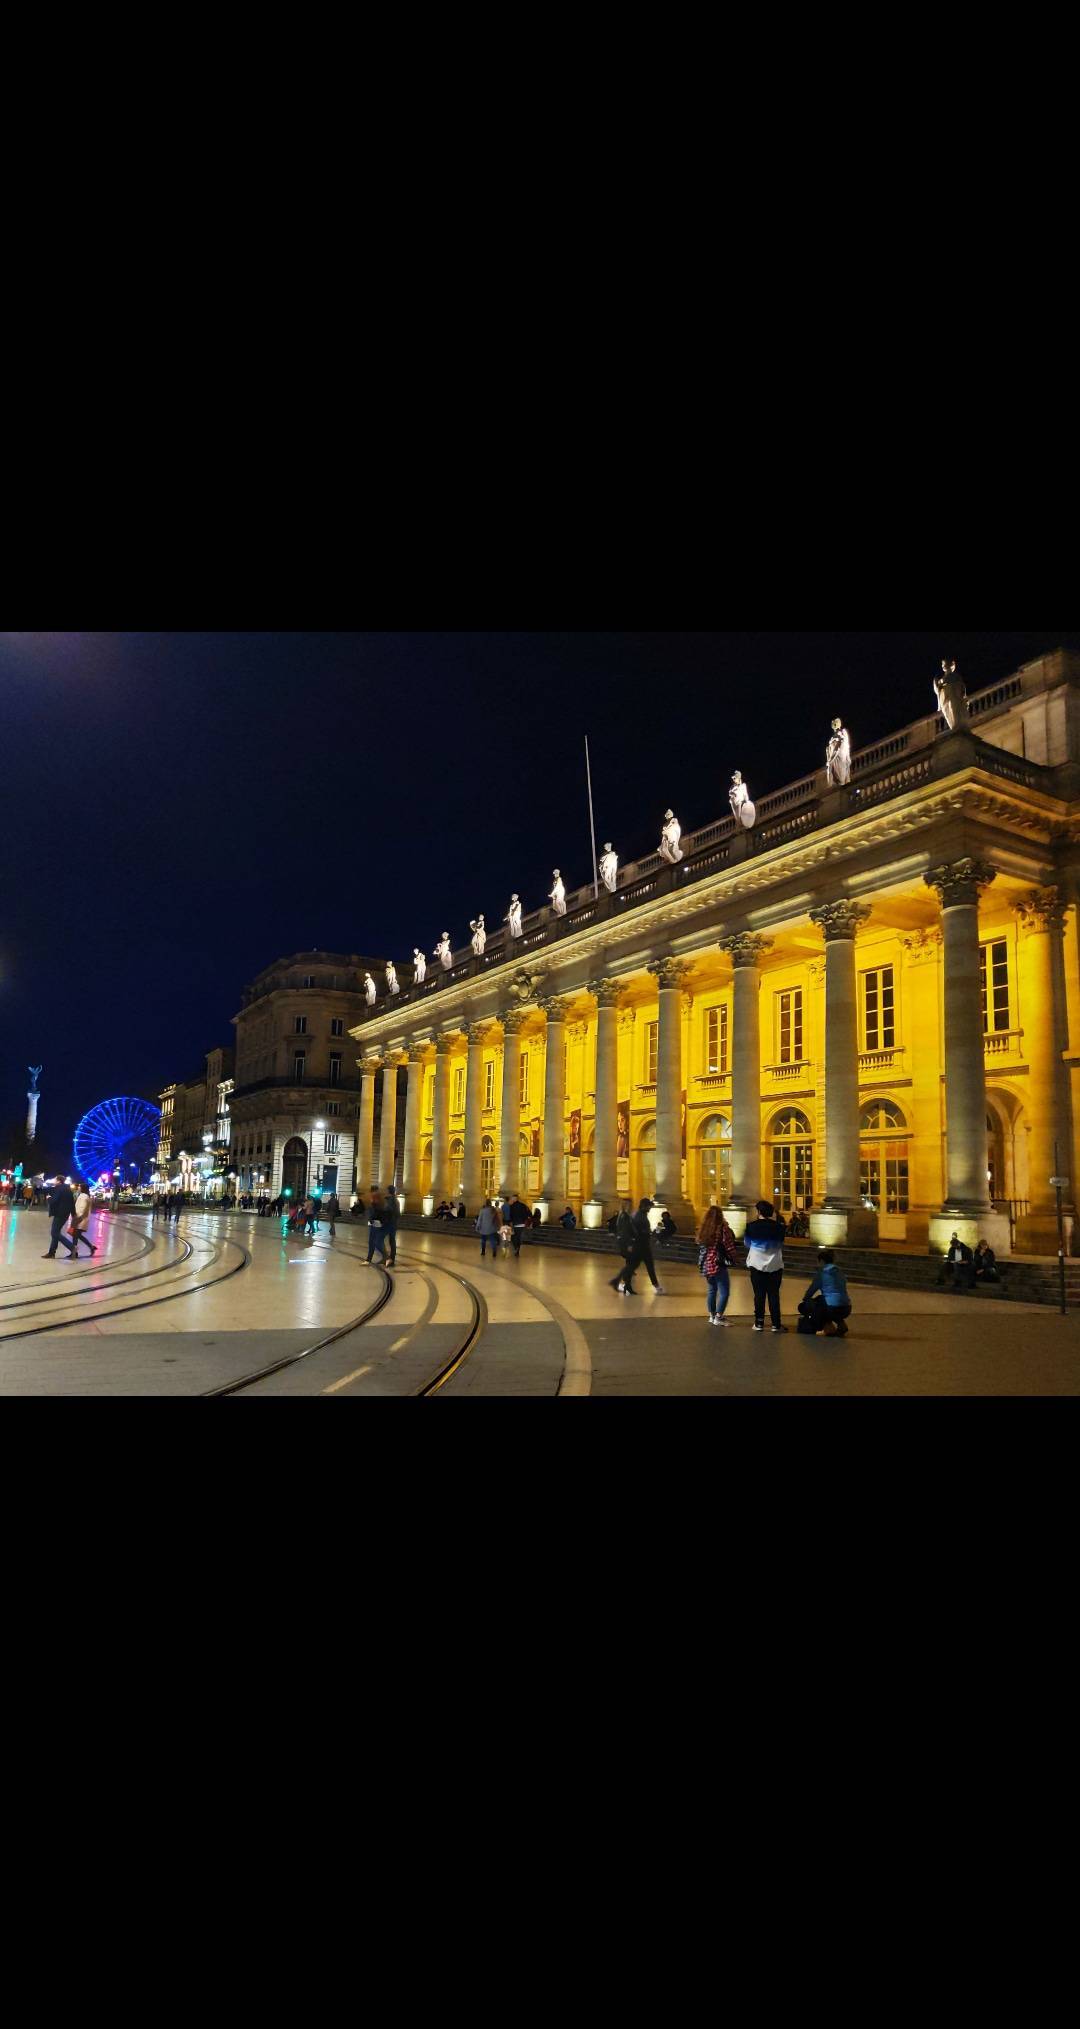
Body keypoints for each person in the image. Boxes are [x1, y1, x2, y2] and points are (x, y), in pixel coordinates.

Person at [744, 1200, 787, 1332]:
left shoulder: (751, 1226)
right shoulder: (779, 1227)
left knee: (759, 1294)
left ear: (759, 1212)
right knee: (774, 1294)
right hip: (775, 1265)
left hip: (756, 1264)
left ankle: (759, 1323)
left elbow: (747, 1243)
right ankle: (776, 1324)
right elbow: (780, 1244)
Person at [697, 1204, 736, 1324]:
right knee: (724, 1291)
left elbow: (702, 1247)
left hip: (706, 1263)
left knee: (712, 1290)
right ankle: (719, 1317)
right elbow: (729, 1245)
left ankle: (712, 1315)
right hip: (718, 1263)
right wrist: (735, 1257)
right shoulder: (722, 1229)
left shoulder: (704, 1229)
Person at [797, 1251, 852, 1336]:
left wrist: (805, 1300)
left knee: (810, 1305)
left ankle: (827, 1328)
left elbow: (811, 1290)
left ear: (822, 1261)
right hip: (846, 1307)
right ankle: (841, 1325)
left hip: (831, 1307)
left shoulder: (822, 1273)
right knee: (824, 1301)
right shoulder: (839, 1272)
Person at [629, 1198, 665, 1293]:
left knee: (642, 1265)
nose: (650, 1208)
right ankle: (656, 1286)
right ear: (644, 1206)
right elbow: (639, 1231)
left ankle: (656, 1285)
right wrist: (650, 1233)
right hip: (641, 1245)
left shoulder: (641, 1215)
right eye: (649, 1206)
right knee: (640, 1265)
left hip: (643, 1245)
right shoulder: (639, 1216)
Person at [42, 1178, 76, 1259]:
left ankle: (72, 1247)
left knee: (54, 1233)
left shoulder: (59, 1189)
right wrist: (73, 1213)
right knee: (56, 1233)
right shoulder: (68, 1189)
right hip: (65, 1214)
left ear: (59, 1181)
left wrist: (48, 1198)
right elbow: (72, 1202)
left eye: (55, 1180)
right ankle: (51, 1253)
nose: (54, 1181)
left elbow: (54, 1200)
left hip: (59, 1213)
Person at [609, 1200, 637, 1293]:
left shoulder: (622, 1216)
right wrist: (630, 1244)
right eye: (629, 1205)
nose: (630, 1207)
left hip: (623, 1242)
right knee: (631, 1265)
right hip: (626, 1243)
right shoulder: (625, 1217)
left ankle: (624, 1284)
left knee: (630, 1265)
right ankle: (618, 1281)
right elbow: (625, 1231)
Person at [69, 1180, 98, 1259]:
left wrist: (77, 1217)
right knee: (77, 1235)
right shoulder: (84, 1195)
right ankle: (90, 1247)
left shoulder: (84, 1196)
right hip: (80, 1218)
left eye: (79, 1187)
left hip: (80, 1219)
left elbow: (82, 1208)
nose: (78, 1188)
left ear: (83, 1188)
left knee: (75, 1235)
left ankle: (74, 1252)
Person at [367, 1189, 386, 1262]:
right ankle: (369, 1259)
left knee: (375, 1243)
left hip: (376, 1225)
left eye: (372, 1197)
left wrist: (371, 1219)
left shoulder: (377, 1206)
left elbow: (376, 1215)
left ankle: (386, 1257)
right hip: (374, 1224)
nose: (370, 1198)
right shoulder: (377, 1205)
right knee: (372, 1242)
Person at [381, 1186, 399, 1266]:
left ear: (389, 1191)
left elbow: (389, 1210)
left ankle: (387, 1258)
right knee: (392, 1240)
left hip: (389, 1223)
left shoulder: (391, 1200)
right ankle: (391, 1258)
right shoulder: (395, 1200)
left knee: (379, 1239)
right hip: (393, 1223)